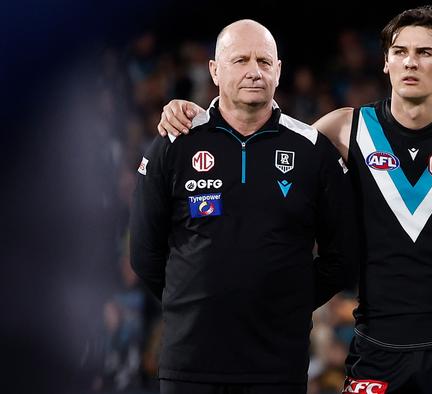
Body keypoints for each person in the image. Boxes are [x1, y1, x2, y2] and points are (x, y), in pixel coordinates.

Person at [158, 7, 432, 393]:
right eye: (399, 52)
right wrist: (205, 120)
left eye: (425, 53)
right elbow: (266, 144)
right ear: (385, 62)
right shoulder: (345, 127)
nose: (410, 62)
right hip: (378, 342)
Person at [130, 19, 353, 394]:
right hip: (189, 366)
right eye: (240, 60)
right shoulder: (176, 142)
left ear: (278, 71)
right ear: (215, 70)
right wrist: (192, 299)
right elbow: (143, 252)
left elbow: (343, 256)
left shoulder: (312, 151)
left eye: (264, 62)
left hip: (278, 367)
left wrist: (289, 300)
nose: (254, 71)